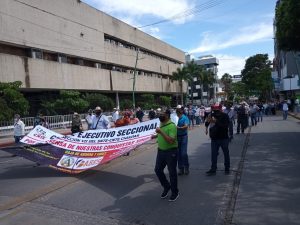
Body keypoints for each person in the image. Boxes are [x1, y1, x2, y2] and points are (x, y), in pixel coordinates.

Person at [152, 109, 179, 202]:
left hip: (171, 152)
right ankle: (167, 186)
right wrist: (155, 136)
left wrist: (160, 132)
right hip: (161, 151)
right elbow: (161, 133)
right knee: (158, 170)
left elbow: (171, 140)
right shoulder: (162, 123)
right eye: (159, 114)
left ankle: (175, 192)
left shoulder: (172, 126)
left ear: (167, 115)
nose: (159, 115)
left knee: (172, 172)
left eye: (161, 114)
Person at [205, 103, 230, 175]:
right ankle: (213, 169)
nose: (215, 112)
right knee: (214, 154)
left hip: (223, 138)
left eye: (217, 110)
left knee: (226, 153)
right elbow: (206, 124)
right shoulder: (211, 115)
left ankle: (227, 168)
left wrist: (216, 121)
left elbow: (225, 126)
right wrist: (208, 121)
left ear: (220, 109)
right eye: (214, 110)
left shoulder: (225, 116)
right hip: (214, 138)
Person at [176, 107, 190, 175]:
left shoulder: (185, 118)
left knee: (183, 153)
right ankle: (181, 168)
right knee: (178, 153)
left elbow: (186, 126)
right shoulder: (176, 118)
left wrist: (179, 128)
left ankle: (186, 167)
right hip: (177, 137)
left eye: (178, 113)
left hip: (184, 136)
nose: (177, 114)